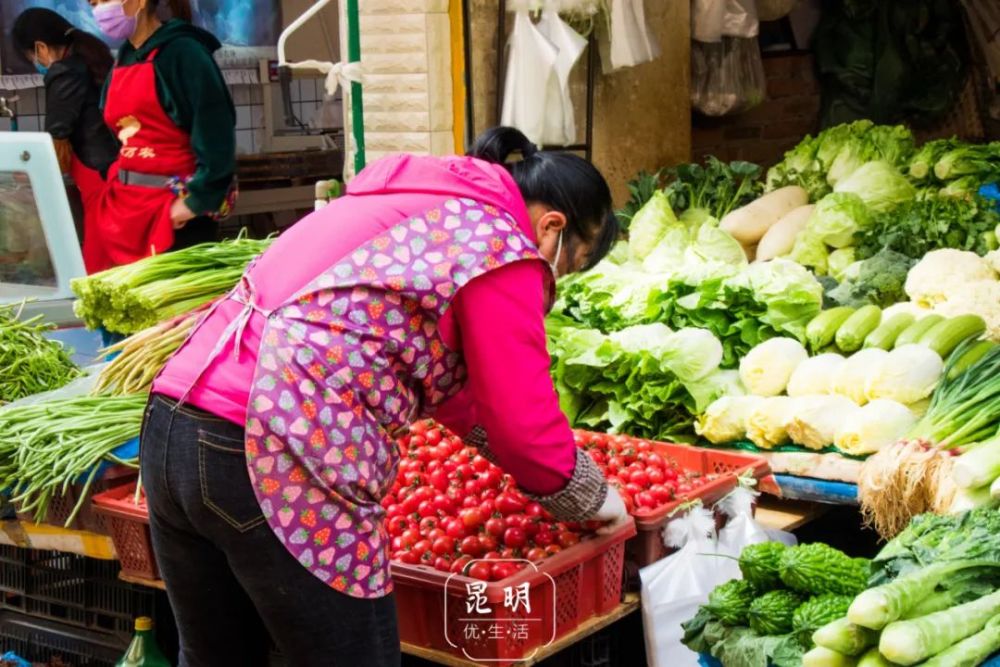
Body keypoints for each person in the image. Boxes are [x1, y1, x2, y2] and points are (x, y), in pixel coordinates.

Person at [141, 126, 630, 666]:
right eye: (570, 262)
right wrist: (584, 492)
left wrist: (525, 461)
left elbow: (459, 393)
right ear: (552, 227)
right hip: (276, 449)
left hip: (174, 424)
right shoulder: (502, 246)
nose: (554, 277)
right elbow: (521, 418)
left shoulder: (412, 203)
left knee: (216, 658)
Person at [84, 0, 237, 274]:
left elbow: (217, 133)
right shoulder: (125, 56)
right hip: (128, 209)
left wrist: (194, 202)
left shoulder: (184, 52)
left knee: (175, 313)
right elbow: (114, 131)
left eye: (105, 0)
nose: (98, 9)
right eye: (93, 3)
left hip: (174, 213)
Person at [11, 8, 119, 249]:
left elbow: (55, 137)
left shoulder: (65, 73)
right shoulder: (90, 58)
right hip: (111, 168)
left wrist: (28, 172)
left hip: (98, 173)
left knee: (102, 255)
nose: (37, 64)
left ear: (40, 48)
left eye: (31, 57)